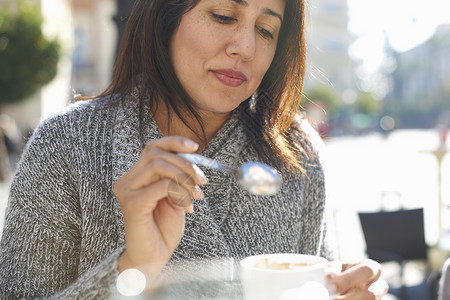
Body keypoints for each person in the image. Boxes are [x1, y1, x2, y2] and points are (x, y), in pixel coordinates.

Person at [0, 0, 388, 298]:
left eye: (267, 30)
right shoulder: (68, 144)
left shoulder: (297, 154)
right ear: (167, 15)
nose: (246, 47)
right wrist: (132, 268)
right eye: (223, 15)